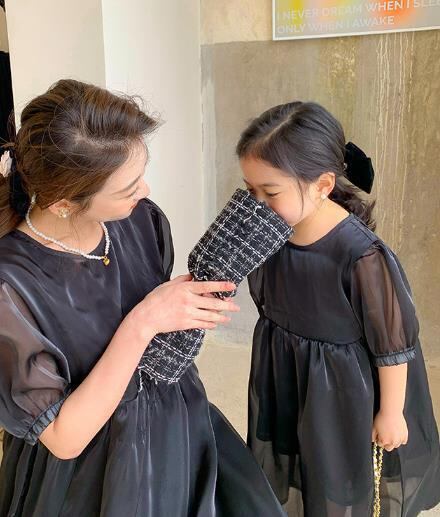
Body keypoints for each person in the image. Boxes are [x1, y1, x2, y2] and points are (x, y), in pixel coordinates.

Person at [0, 79, 285, 517]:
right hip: (92, 473)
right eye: (128, 187)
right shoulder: (10, 286)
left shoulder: (140, 220)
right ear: (63, 204)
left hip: (174, 424)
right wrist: (144, 321)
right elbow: (64, 438)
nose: (145, 190)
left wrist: (181, 309)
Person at [236, 101, 440, 516]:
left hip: (343, 392)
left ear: (322, 185)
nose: (257, 203)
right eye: (249, 190)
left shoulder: (361, 255)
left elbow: (393, 345)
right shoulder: (269, 232)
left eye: (270, 193)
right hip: (288, 375)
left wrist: (391, 412)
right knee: (299, 465)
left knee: (339, 475)